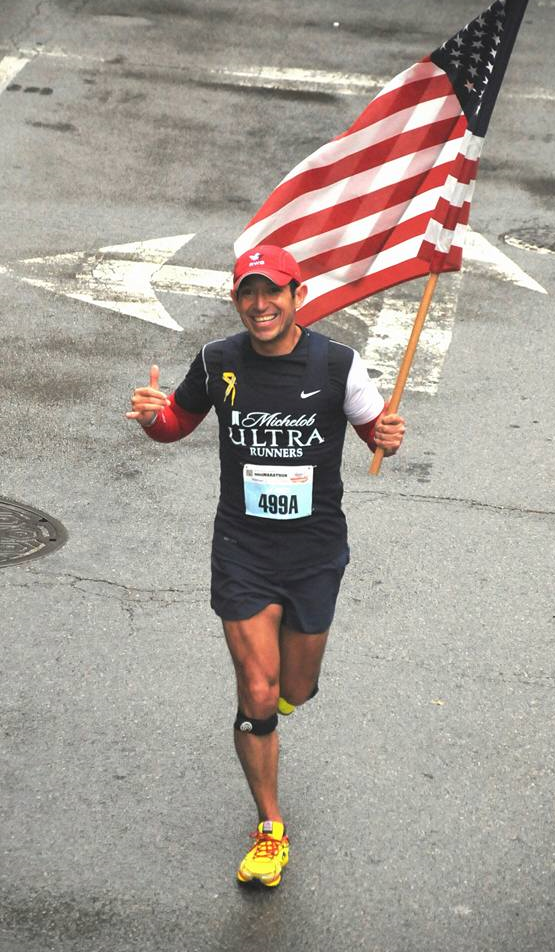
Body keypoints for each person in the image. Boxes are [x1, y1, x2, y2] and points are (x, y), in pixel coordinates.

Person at [126, 245, 405, 888]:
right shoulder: (218, 361)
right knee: (257, 693)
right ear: (236, 300)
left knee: (293, 689)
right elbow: (174, 425)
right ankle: (270, 828)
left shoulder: (338, 364)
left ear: (296, 296)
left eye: (272, 292)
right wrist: (151, 419)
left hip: (313, 553)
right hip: (243, 551)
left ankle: (279, 702)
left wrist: (387, 437)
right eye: (248, 294)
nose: (260, 305)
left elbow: (375, 432)